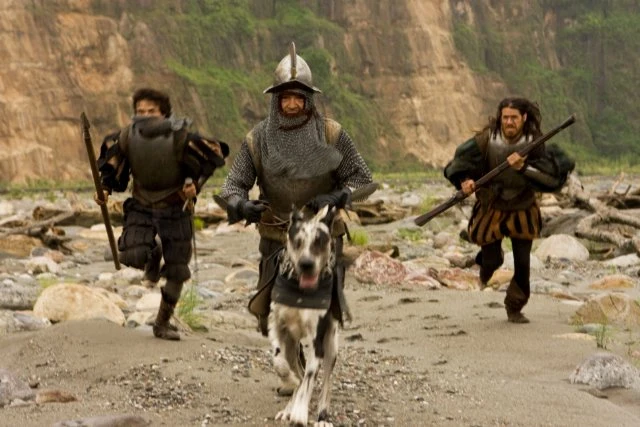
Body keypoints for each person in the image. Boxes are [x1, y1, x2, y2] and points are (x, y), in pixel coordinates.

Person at [218, 42, 374, 391]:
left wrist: (338, 195)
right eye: (285, 97)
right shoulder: (258, 139)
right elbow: (232, 186)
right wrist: (241, 205)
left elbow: (365, 182)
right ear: (276, 99)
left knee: (320, 312)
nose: (291, 103)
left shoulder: (331, 134)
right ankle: (295, 364)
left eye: (298, 96)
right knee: (268, 312)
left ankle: (313, 365)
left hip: (322, 238)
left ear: (309, 99)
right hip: (277, 236)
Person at [95, 88, 229, 340]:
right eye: (140, 112)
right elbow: (113, 166)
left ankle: (162, 323)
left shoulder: (181, 136)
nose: (145, 116)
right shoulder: (126, 137)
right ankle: (153, 252)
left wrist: (195, 186)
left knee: (177, 271)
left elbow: (211, 158)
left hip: (175, 207)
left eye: (151, 111)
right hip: (142, 204)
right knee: (132, 255)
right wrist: (104, 189)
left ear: (164, 112)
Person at [444, 97, 574, 323]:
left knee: (523, 264)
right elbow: (459, 164)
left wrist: (523, 167)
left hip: (523, 207)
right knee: (491, 261)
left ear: (524, 118)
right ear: (500, 118)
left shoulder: (535, 143)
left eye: (514, 118)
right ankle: (487, 263)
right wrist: (465, 181)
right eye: (506, 117)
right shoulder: (486, 140)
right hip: (491, 206)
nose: (509, 122)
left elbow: (551, 177)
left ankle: (514, 306)